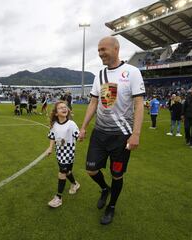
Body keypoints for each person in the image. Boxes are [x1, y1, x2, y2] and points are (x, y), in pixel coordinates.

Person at [78, 36, 145, 225]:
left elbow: (139, 104)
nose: (100, 54)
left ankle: (112, 206)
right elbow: (93, 102)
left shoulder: (132, 72)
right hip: (99, 133)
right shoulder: (99, 76)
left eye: (103, 50)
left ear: (116, 49)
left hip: (121, 136)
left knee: (117, 174)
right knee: (91, 169)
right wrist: (83, 127)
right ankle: (104, 189)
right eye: (98, 50)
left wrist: (136, 133)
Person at [46, 101, 80, 208]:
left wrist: (81, 136)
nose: (64, 108)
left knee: (62, 173)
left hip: (69, 153)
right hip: (59, 153)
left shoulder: (71, 124)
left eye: (65, 107)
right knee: (67, 171)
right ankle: (75, 184)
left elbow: (77, 136)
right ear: (56, 113)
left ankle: (58, 197)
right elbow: (52, 137)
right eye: (60, 108)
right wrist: (50, 148)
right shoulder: (54, 125)